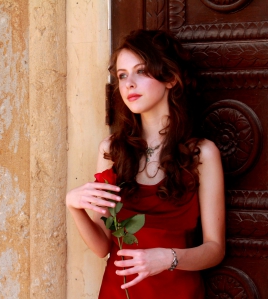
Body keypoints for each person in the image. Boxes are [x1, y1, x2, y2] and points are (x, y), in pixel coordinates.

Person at [66, 29, 225, 299]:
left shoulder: (203, 153)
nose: (129, 83)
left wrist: (168, 258)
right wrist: (74, 206)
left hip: (179, 292)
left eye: (141, 71)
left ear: (171, 78)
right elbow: (103, 245)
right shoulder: (111, 150)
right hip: (118, 292)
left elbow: (215, 249)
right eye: (122, 75)